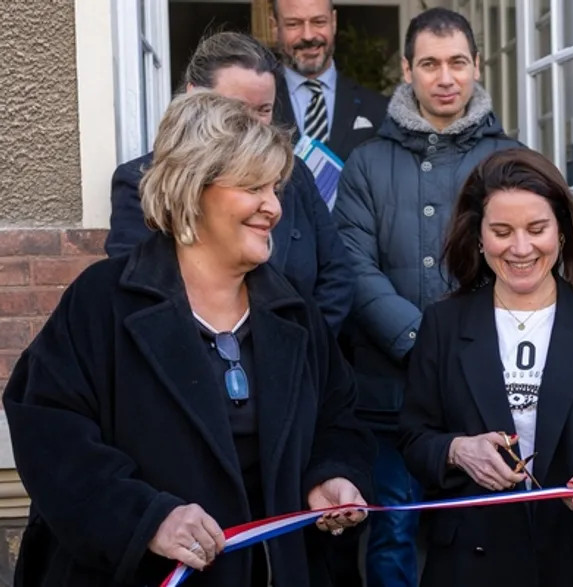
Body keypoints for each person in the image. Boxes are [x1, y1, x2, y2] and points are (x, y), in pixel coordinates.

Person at [4, 90, 375, 587]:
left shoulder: (294, 311)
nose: (273, 207)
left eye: (275, 188)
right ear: (193, 187)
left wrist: (331, 473)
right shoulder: (102, 302)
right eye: (253, 186)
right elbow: (51, 435)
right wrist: (145, 518)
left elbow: (338, 418)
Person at [398, 147, 573, 587]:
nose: (521, 248)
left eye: (537, 229)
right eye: (502, 231)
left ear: (562, 231)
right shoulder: (443, 323)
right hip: (471, 562)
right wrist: (457, 450)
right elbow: (413, 437)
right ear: (479, 237)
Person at [333, 7, 523, 586]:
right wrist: (420, 341)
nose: (445, 78)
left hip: (485, 382)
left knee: (480, 530)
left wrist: (458, 347)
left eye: (457, 63)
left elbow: (523, 260)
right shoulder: (366, 163)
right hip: (388, 389)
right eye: (430, 64)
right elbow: (352, 266)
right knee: (393, 529)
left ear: (477, 66)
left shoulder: (509, 159)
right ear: (407, 69)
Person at [105, 31, 354, 333]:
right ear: (194, 97)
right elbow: (138, 291)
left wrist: (303, 348)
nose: (253, 124)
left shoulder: (295, 174)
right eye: (237, 108)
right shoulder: (142, 180)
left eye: (264, 110)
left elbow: (336, 274)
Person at [270, 0, 390, 163]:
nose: (308, 36)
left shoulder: (379, 109)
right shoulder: (256, 107)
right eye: (294, 24)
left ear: (333, 22)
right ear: (275, 27)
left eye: (319, 22)